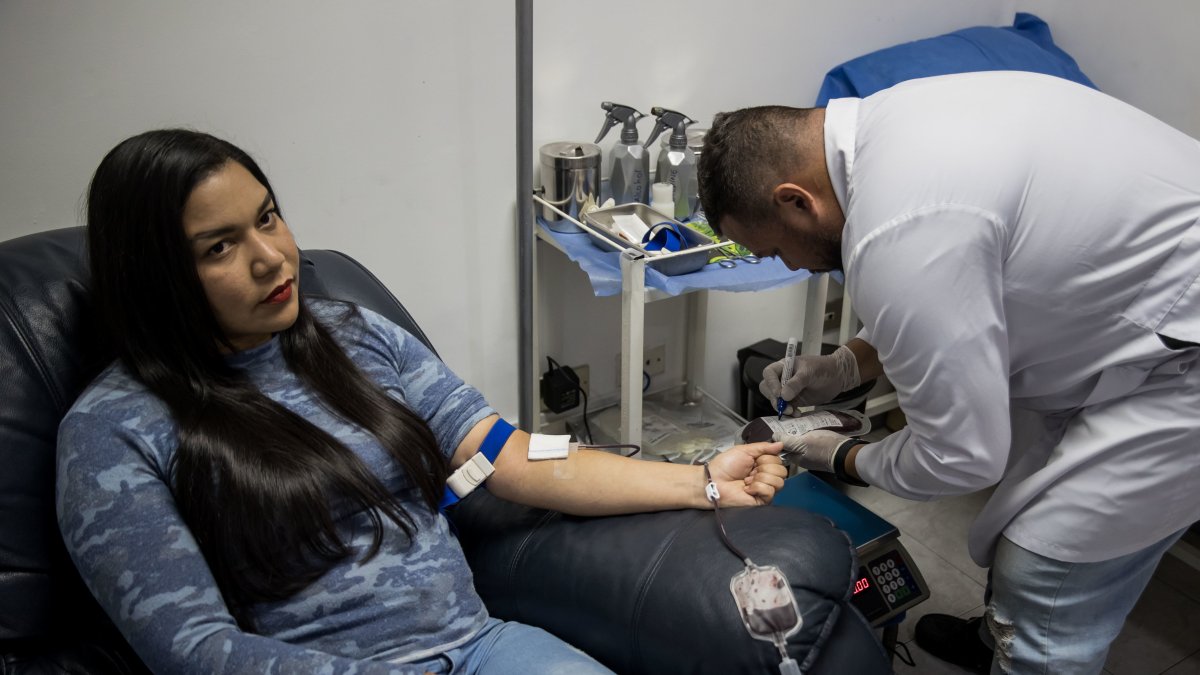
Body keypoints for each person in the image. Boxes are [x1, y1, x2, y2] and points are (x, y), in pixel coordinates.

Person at [56, 129, 788, 675]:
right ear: (154, 275)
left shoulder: (349, 333)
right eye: (219, 246)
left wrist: (701, 479)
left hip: (480, 647)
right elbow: (198, 651)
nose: (271, 256)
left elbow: (508, 451)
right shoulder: (113, 434)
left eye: (268, 216)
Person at [697, 70, 1200, 675]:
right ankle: (997, 638)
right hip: (1142, 319)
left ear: (794, 200)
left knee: (1044, 568)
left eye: (776, 251)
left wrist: (841, 455)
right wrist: (845, 363)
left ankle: (1031, 644)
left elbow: (959, 458)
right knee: (1021, 500)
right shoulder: (893, 123)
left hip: (1180, 365)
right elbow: (951, 285)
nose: (796, 266)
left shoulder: (898, 226)